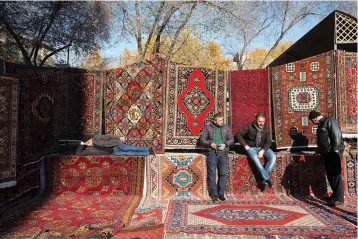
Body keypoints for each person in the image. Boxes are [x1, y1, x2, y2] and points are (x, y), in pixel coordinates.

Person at [309, 110, 345, 207]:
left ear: (315, 118)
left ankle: (339, 199)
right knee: (330, 175)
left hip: (333, 152)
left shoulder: (330, 121)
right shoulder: (321, 124)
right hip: (326, 153)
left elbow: (336, 136)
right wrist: (319, 151)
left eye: (313, 121)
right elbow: (323, 141)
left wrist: (335, 152)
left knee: (335, 175)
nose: (313, 123)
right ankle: (334, 195)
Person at [235, 113, 276, 190]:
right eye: (260, 121)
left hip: (262, 147)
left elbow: (268, 142)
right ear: (256, 120)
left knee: (273, 157)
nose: (261, 123)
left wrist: (263, 150)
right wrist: (245, 145)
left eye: (263, 121)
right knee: (255, 158)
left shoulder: (266, 128)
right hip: (251, 148)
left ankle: (263, 179)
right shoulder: (249, 126)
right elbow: (238, 134)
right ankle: (268, 179)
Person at [200, 113, 234, 202]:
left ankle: (221, 193)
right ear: (214, 121)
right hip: (212, 153)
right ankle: (214, 194)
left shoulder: (226, 127)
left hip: (223, 153)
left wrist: (225, 144)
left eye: (222, 120)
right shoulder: (208, 128)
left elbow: (232, 139)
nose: (222, 122)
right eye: (220, 120)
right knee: (212, 173)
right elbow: (202, 139)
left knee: (223, 173)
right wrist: (210, 144)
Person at [77, 134, 154, 156]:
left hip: (115, 145)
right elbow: (78, 154)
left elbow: (109, 137)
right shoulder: (88, 150)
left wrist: (119, 137)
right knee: (129, 153)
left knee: (129, 148)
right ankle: (147, 153)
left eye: (87, 140)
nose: (87, 142)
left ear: (89, 138)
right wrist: (81, 144)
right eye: (85, 143)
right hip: (113, 152)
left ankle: (147, 149)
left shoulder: (96, 138)